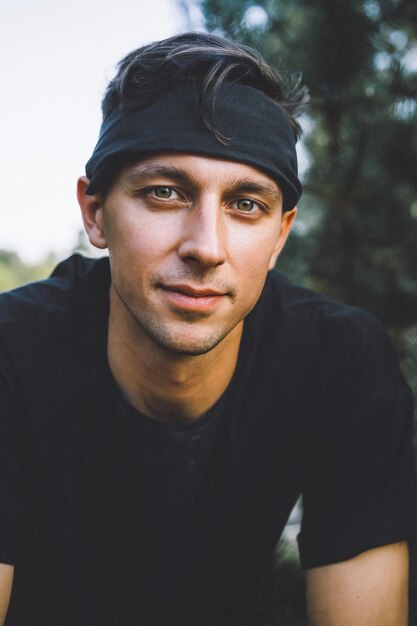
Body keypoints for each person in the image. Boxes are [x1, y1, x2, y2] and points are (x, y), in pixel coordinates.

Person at [0, 31, 416, 626]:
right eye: (165, 193)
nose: (206, 247)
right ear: (95, 211)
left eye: (246, 204)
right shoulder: (13, 354)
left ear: (279, 235)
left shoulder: (339, 362)